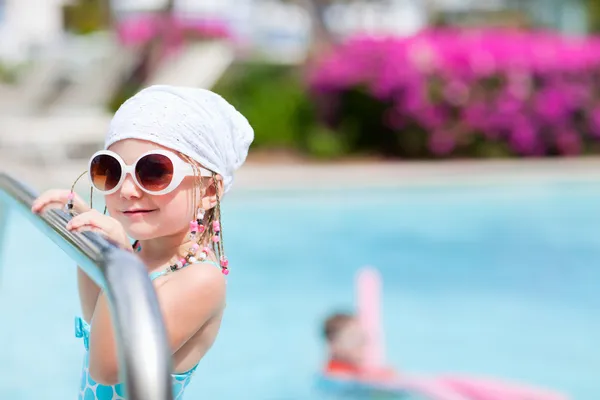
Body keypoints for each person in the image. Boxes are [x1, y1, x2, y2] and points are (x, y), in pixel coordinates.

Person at [31, 85, 254, 400]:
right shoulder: (138, 254)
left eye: (154, 171)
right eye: (112, 171)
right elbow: (97, 320)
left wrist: (119, 260)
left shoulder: (201, 279)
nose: (128, 191)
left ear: (208, 191)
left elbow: (108, 367)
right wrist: (92, 235)